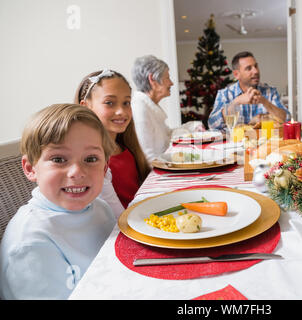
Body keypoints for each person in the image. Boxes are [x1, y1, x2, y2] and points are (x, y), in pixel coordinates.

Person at [0, 104, 116, 299]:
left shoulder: (99, 208)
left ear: (104, 168)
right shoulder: (30, 245)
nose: (77, 172)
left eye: (90, 159)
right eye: (59, 159)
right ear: (30, 168)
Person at [75, 69, 151, 215]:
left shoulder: (125, 147)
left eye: (126, 103)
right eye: (109, 103)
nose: (121, 111)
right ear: (85, 106)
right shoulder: (91, 160)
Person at [131, 55, 205, 163]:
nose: (171, 83)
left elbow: (168, 135)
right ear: (152, 79)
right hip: (158, 175)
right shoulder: (140, 109)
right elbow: (148, 158)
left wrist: (192, 127)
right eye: (167, 77)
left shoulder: (149, 106)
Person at [208, 51, 290, 131]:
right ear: (236, 74)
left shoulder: (270, 92)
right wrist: (236, 102)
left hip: (265, 143)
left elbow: (287, 119)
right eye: (249, 68)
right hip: (235, 143)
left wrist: (264, 101)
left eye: (256, 66)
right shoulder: (224, 94)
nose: (256, 71)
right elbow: (212, 124)